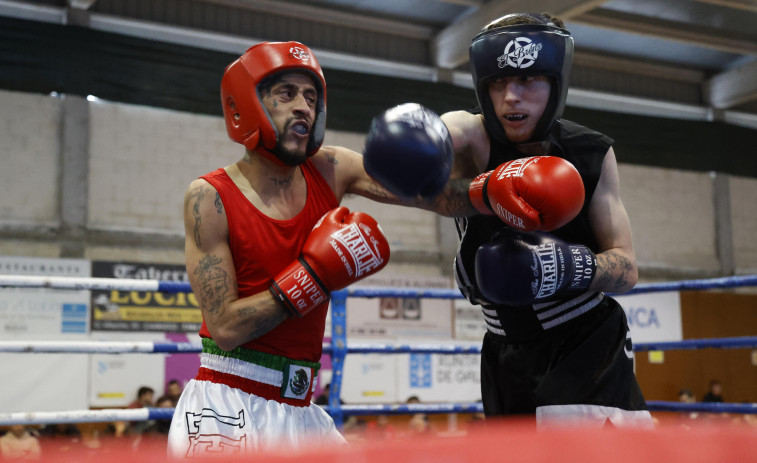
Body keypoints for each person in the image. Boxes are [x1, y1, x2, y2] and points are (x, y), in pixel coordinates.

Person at [362, 12, 654, 429]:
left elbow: (626, 269)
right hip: (502, 351)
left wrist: (559, 268)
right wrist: (424, 139)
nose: (511, 97)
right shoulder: (474, 139)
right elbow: (450, 130)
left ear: (555, 83)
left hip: (585, 344)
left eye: (528, 81)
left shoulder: (591, 154)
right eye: (498, 83)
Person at [168, 41, 459, 456]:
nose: (303, 106)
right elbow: (226, 328)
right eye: (285, 94)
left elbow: (426, 194)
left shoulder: (330, 167)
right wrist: (313, 277)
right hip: (228, 402)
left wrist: (501, 189)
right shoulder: (209, 198)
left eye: (310, 97)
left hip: (302, 407)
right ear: (248, 106)